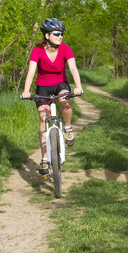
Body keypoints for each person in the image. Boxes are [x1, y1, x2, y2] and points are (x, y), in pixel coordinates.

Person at [22, 18, 83, 175]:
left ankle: (68, 128)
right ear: (47, 36)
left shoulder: (65, 49)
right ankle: (44, 159)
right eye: (57, 33)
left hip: (60, 84)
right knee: (43, 120)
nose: (60, 36)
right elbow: (31, 71)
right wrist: (26, 90)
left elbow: (73, 68)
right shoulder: (37, 50)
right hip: (43, 87)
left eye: (62, 33)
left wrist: (78, 86)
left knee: (65, 100)